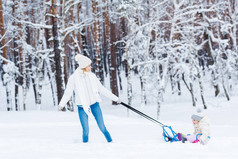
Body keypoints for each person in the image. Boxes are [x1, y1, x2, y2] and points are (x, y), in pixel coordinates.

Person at [58, 54, 121, 143]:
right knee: (86, 130)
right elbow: (67, 93)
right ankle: (85, 147)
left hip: (94, 105)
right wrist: (61, 104)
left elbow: (102, 89)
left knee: (102, 127)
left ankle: (111, 143)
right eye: (88, 65)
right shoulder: (73, 78)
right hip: (82, 107)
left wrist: (115, 98)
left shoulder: (92, 76)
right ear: (83, 66)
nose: (90, 67)